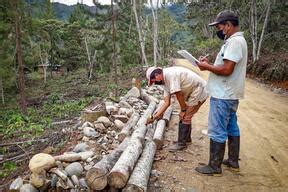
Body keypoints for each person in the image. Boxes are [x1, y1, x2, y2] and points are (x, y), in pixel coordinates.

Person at [195, 10, 248, 175]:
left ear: (229, 25)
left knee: (217, 128)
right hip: (231, 93)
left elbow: (226, 70)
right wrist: (210, 64)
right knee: (232, 126)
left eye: (220, 27)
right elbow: (226, 66)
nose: (219, 30)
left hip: (223, 94)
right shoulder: (238, 41)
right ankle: (232, 161)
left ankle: (214, 166)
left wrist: (205, 67)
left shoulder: (234, 42)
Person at [146, 65, 208, 152]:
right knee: (184, 116)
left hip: (199, 90)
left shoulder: (170, 75)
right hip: (193, 92)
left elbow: (179, 94)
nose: (154, 83)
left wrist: (183, 110)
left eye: (153, 80)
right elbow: (167, 102)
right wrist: (154, 117)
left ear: (157, 75)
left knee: (185, 116)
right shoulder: (164, 82)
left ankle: (181, 144)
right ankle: (186, 140)